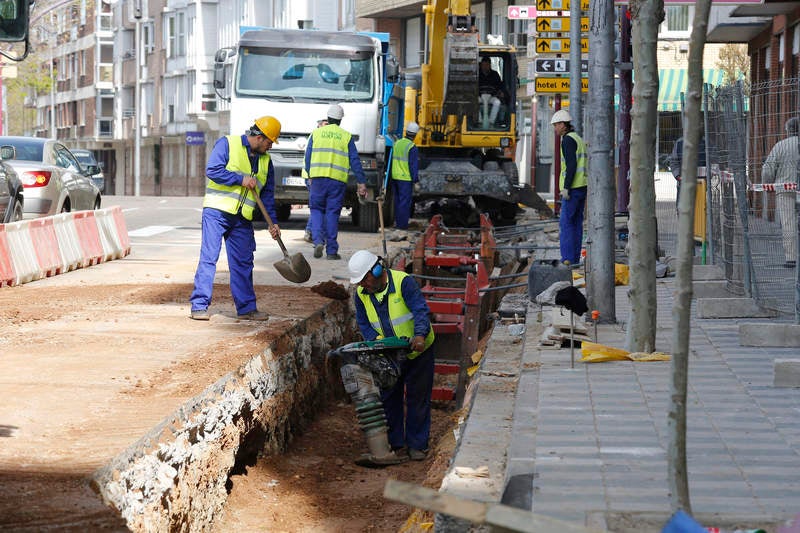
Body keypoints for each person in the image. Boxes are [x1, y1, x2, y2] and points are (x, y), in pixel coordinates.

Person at [189, 116, 282, 321]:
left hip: (241, 219)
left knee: (243, 262)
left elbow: (266, 195)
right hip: (217, 212)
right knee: (209, 258)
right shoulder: (227, 144)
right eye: (269, 142)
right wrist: (240, 179)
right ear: (259, 137)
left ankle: (247, 308)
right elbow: (212, 170)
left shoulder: (266, 161)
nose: (270, 147)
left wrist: (272, 222)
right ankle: (199, 306)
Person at [347, 249, 436, 461]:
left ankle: (417, 445)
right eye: (359, 282)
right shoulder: (361, 294)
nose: (362, 285)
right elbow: (364, 323)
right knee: (389, 398)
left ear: (377, 270)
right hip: (389, 354)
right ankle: (395, 444)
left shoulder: (404, 282)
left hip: (418, 352)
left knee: (417, 397)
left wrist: (420, 336)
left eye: (364, 280)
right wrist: (377, 344)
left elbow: (420, 310)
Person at [304, 104, 367, 260]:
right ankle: (331, 251)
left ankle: (318, 241)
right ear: (340, 120)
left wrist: (310, 175)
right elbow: (354, 160)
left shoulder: (316, 133)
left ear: (328, 117)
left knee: (317, 210)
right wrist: (361, 182)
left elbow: (308, 156)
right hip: (337, 182)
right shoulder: (346, 136)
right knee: (332, 213)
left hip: (317, 179)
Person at [551, 109, 587, 265]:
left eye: (556, 125)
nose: (555, 129)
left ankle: (567, 259)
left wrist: (566, 187)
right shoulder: (577, 138)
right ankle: (574, 259)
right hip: (581, 187)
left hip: (572, 189)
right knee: (576, 223)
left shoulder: (567, 140)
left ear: (563, 125)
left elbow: (571, 165)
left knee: (566, 224)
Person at [761, 117, 799, 268]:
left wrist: (767, 185)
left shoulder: (780, 146)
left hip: (785, 190)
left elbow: (768, 169)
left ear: (788, 130)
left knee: (788, 223)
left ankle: (791, 258)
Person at [388, 121, 420, 241]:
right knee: (404, 203)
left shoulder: (397, 143)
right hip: (405, 179)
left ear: (406, 132)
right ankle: (402, 227)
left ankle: (397, 224)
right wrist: (416, 181)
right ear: (415, 135)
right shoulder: (412, 147)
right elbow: (413, 166)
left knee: (397, 202)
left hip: (395, 176)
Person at [303, 118, 328, 244]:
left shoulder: (317, 136)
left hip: (313, 176)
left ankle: (312, 232)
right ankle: (310, 231)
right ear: (319, 126)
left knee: (318, 207)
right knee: (318, 207)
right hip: (313, 177)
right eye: (325, 124)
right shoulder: (316, 136)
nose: (327, 127)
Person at [669, 135, 710, 211]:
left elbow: (711, 162)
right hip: (683, 185)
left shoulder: (706, 142)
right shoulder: (679, 142)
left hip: (702, 185)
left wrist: (707, 178)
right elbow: (674, 162)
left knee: (701, 210)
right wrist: (678, 176)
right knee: (682, 210)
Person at [478, 56, 507, 126]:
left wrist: (501, 92)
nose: (485, 67)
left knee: (497, 102)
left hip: (491, 97)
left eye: (487, 65)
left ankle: (491, 122)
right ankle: (479, 121)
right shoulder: (477, 74)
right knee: (474, 102)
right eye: (483, 65)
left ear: (490, 65)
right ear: (481, 65)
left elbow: (500, 86)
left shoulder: (495, 74)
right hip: (480, 96)